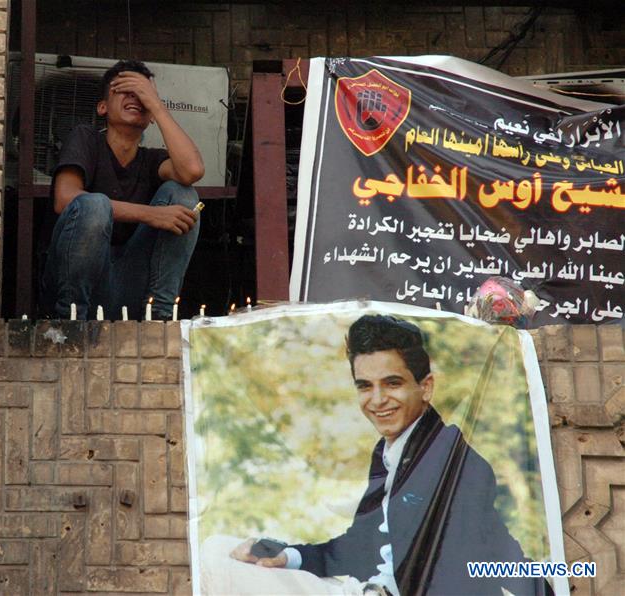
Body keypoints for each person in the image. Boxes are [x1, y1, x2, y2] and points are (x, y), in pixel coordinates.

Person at [226, 315, 550, 596]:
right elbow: (363, 545)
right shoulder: (388, 450)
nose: (378, 400)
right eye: (365, 386)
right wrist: (290, 556)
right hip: (367, 587)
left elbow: (491, 554)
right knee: (222, 552)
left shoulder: (454, 458)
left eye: (392, 383)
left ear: (426, 388)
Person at [41, 59, 204, 320]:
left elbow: (192, 171)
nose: (135, 97)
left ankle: (160, 316)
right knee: (94, 205)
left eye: (141, 93)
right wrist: (150, 214)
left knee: (183, 195)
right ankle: (70, 322)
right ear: (102, 106)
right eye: (124, 90)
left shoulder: (152, 160)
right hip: (77, 288)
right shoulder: (86, 138)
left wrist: (157, 106)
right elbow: (65, 199)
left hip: (129, 286)